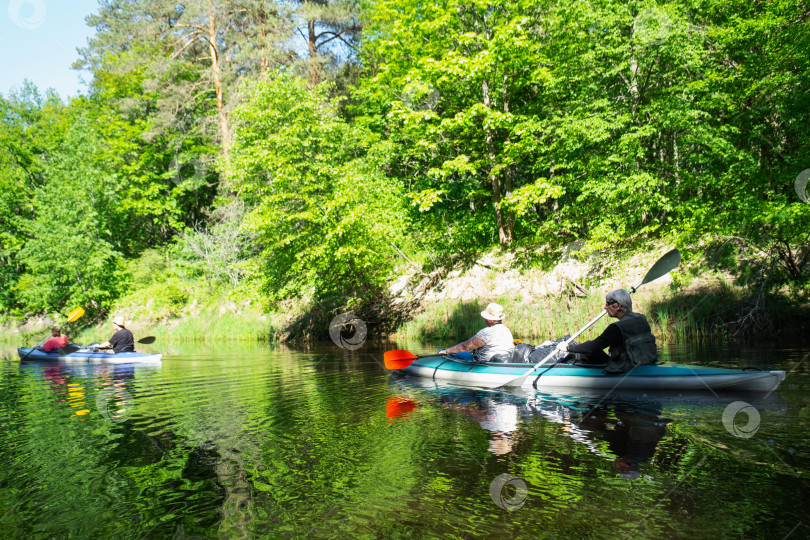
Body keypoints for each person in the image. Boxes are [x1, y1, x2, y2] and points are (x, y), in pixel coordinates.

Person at [556, 289, 657, 373]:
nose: (605, 307)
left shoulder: (617, 328)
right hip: (645, 362)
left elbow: (593, 347)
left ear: (618, 306)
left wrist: (569, 348)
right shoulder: (641, 318)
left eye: (608, 303)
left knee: (586, 352)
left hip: (625, 367)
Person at [438, 302, 515, 362]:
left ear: (490, 319)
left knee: (459, 354)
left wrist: (447, 351)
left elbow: (465, 346)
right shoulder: (507, 330)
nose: (485, 320)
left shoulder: (486, 332)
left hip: (484, 364)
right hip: (503, 362)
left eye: (486, 318)